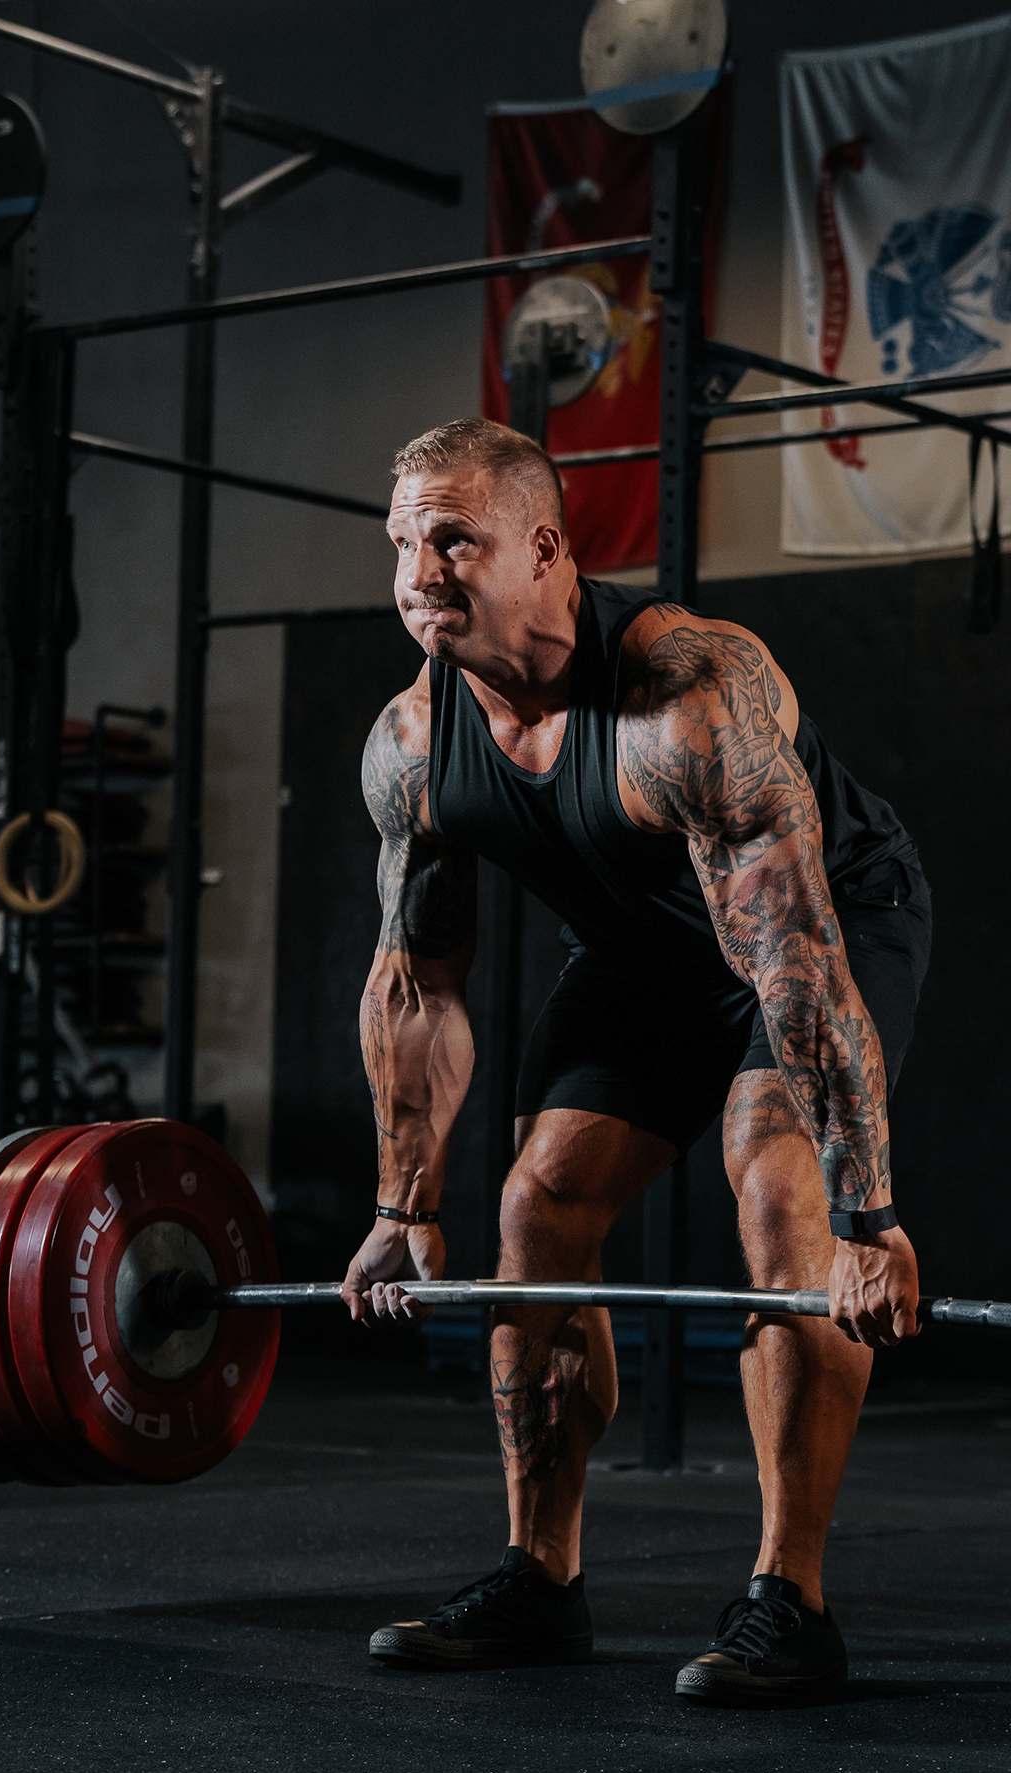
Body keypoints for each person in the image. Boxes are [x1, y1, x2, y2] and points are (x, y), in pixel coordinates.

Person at [344, 417, 933, 1707]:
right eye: (401, 544)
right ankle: (540, 1579)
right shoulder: (411, 749)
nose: (417, 573)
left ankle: (791, 1598)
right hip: (642, 954)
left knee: (780, 1201)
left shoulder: (689, 698)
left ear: (546, 548)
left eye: (453, 540)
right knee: (535, 1205)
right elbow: (419, 985)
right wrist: (403, 1204)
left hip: (823, 925)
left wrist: (868, 1217)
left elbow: (795, 971)